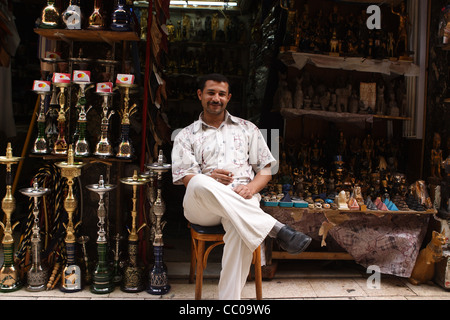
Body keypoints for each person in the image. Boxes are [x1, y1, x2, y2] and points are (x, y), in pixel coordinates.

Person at [171, 73, 311, 300]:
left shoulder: (248, 129)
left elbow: (266, 170)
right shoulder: (185, 135)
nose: (216, 98)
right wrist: (210, 178)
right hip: (202, 206)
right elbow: (186, 179)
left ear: (228, 98)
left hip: (242, 199)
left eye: (221, 94)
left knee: (240, 228)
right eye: (211, 93)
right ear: (200, 95)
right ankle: (276, 228)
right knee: (198, 180)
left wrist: (252, 188)